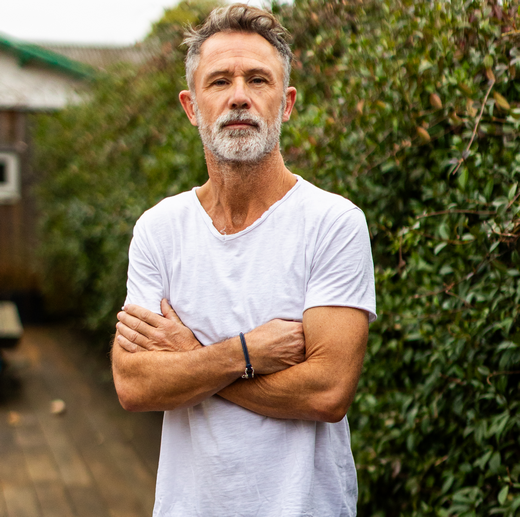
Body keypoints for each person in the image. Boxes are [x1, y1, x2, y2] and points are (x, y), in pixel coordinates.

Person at [111, 4, 376, 516]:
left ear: (286, 102)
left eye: (258, 79)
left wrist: (190, 356)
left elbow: (327, 392)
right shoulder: (159, 230)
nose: (239, 97)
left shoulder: (333, 223)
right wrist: (244, 353)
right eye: (219, 81)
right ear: (191, 106)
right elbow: (134, 384)